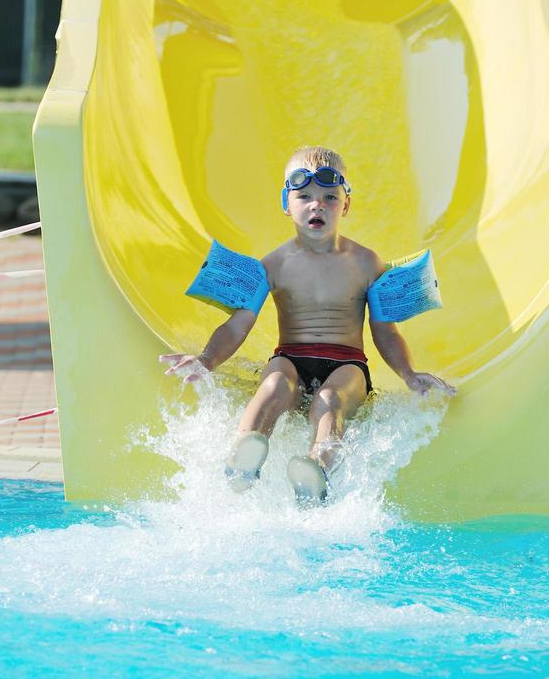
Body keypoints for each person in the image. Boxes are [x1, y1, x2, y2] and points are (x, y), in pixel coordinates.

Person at [160, 146, 456, 503]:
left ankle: (316, 470)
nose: (317, 204)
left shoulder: (366, 263)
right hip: (291, 357)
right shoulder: (273, 265)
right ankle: (244, 453)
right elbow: (238, 325)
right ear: (288, 204)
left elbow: (385, 331)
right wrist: (207, 359)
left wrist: (409, 373)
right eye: (305, 196)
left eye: (330, 197)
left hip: (348, 364)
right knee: (274, 384)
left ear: (345, 205)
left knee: (330, 399)